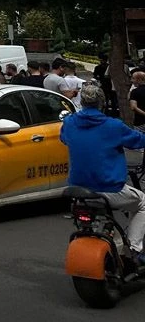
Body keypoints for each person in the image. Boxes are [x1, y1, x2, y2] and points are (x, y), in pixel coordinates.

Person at [61, 84, 145, 264]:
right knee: (142, 203)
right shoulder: (113, 126)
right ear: (103, 103)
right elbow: (138, 141)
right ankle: (133, 249)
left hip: (78, 188)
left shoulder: (69, 123)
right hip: (108, 187)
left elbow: (64, 138)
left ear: (82, 103)